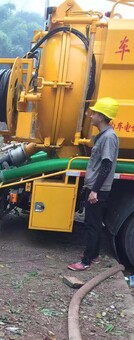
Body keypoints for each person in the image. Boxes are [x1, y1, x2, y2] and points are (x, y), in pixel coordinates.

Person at [68, 97, 119, 271]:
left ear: (103, 117)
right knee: (94, 223)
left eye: (95, 113)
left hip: (99, 189)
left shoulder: (109, 137)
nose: (91, 116)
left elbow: (106, 165)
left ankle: (86, 261)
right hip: (95, 187)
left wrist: (95, 191)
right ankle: (94, 254)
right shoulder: (104, 136)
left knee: (92, 224)